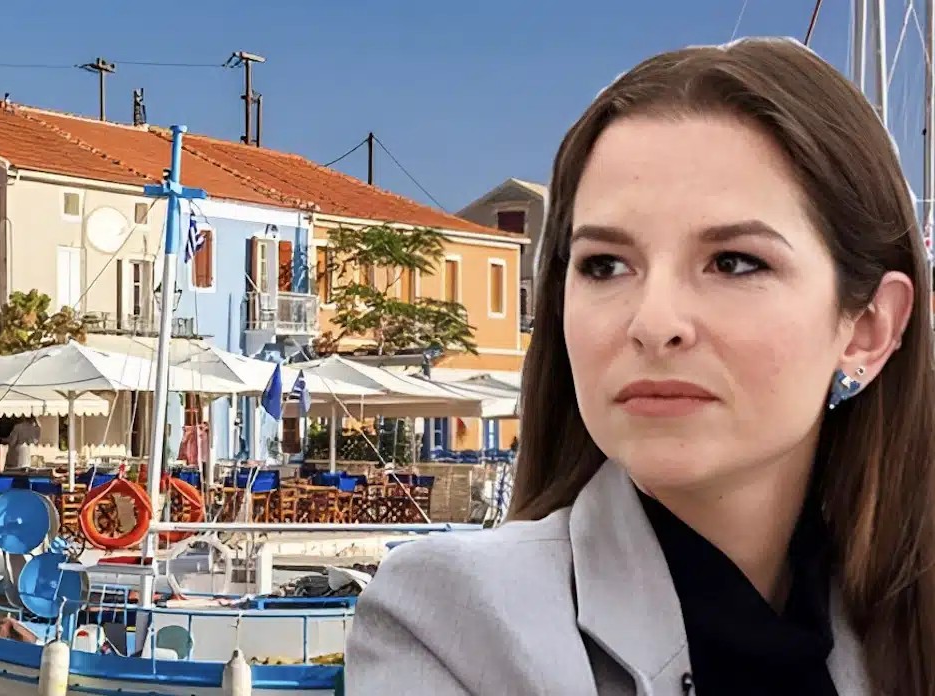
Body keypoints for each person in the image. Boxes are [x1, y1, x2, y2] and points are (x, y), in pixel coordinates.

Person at [345, 37, 935, 696]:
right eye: (605, 265)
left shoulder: (905, 626)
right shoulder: (461, 620)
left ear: (869, 328)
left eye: (734, 262)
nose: (653, 322)